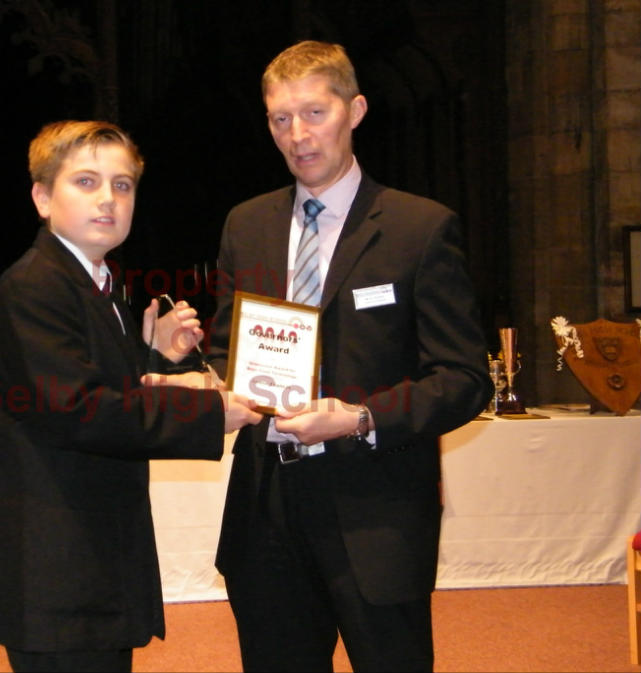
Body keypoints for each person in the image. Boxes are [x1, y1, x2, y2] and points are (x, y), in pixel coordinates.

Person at [206, 41, 493, 672]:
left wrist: (359, 418)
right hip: (266, 507)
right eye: (281, 119)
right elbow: (231, 351)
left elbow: (465, 379)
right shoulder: (246, 225)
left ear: (355, 110)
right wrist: (200, 372)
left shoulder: (420, 228)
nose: (298, 135)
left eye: (315, 113)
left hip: (377, 511)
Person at [0, 119, 262, 673]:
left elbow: (100, 390)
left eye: (122, 184)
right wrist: (208, 411)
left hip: (92, 558)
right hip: (59, 570)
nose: (108, 198)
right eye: (86, 181)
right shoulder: (35, 288)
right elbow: (83, 412)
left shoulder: (93, 283)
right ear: (42, 198)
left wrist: (155, 357)